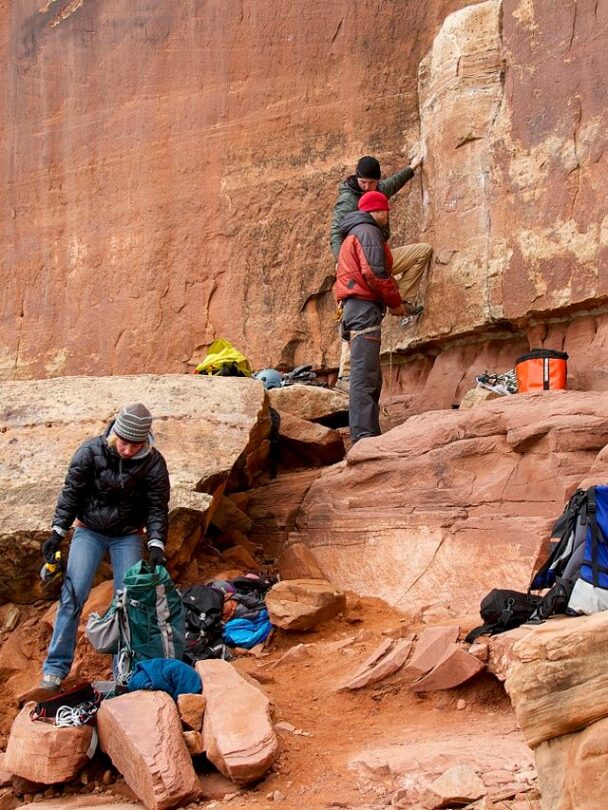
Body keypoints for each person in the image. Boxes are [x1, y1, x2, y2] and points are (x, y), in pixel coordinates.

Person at [27, 402, 170, 700]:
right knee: (73, 594)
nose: (127, 450)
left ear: (145, 441)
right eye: (123, 442)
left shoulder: (154, 463)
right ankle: (53, 673)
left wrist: (156, 543)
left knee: (128, 603)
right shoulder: (91, 451)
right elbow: (71, 493)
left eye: (135, 444)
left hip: (127, 535)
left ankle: (124, 673)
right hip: (88, 530)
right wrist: (57, 533)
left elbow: (157, 507)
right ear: (115, 433)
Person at [330, 154, 432, 391]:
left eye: (372, 183)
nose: (367, 187)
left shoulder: (376, 192)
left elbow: (391, 185)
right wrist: (342, 260)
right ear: (357, 179)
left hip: (378, 256)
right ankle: (345, 377)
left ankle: (400, 303)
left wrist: (411, 168)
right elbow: (335, 233)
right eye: (363, 182)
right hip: (355, 264)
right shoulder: (348, 200)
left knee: (421, 252)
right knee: (353, 316)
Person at [335, 191, 403, 443]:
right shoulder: (368, 231)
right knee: (365, 376)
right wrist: (395, 303)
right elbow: (375, 273)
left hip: (355, 309)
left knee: (368, 374)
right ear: (378, 210)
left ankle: (367, 433)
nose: (387, 215)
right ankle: (364, 436)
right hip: (363, 309)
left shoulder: (355, 232)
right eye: (386, 210)